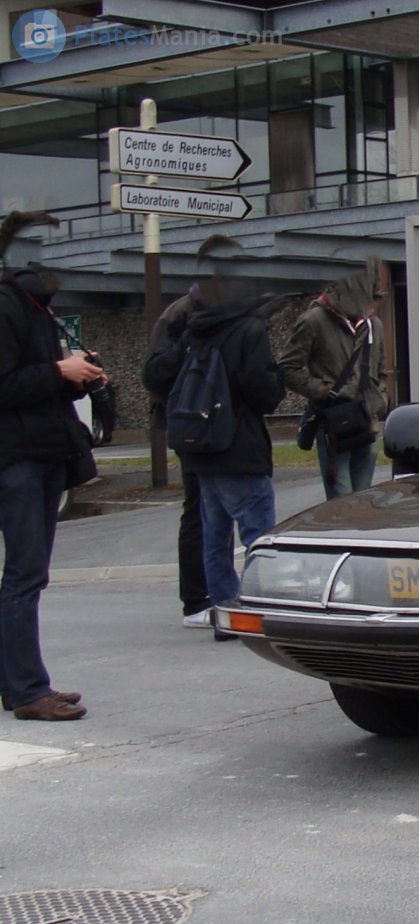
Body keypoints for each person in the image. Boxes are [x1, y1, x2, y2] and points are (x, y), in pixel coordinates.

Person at [0, 262, 104, 720]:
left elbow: (37, 383)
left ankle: (16, 683)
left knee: (26, 576)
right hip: (17, 457)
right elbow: (7, 385)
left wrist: (77, 376)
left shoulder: (37, 312)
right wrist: (58, 371)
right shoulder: (9, 309)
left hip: (39, 451)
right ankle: (27, 691)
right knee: (24, 577)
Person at [176, 282, 286, 641]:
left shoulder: (197, 328)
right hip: (241, 446)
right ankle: (259, 609)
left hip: (204, 447)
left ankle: (225, 611)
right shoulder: (248, 330)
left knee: (215, 536)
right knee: (258, 535)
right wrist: (278, 380)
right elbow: (261, 390)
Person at [143, 234, 242, 631]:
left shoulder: (232, 313)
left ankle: (221, 592)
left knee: (223, 508)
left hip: (228, 425)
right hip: (192, 425)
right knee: (199, 507)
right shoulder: (179, 315)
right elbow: (153, 374)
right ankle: (196, 598)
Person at [277, 256, 391, 500]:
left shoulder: (374, 325)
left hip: (366, 421)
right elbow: (287, 367)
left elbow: (381, 370)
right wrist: (322, 390)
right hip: (333, 423)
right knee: (341, 502)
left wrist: (379, 400)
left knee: (364, 501)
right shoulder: (313, 321)